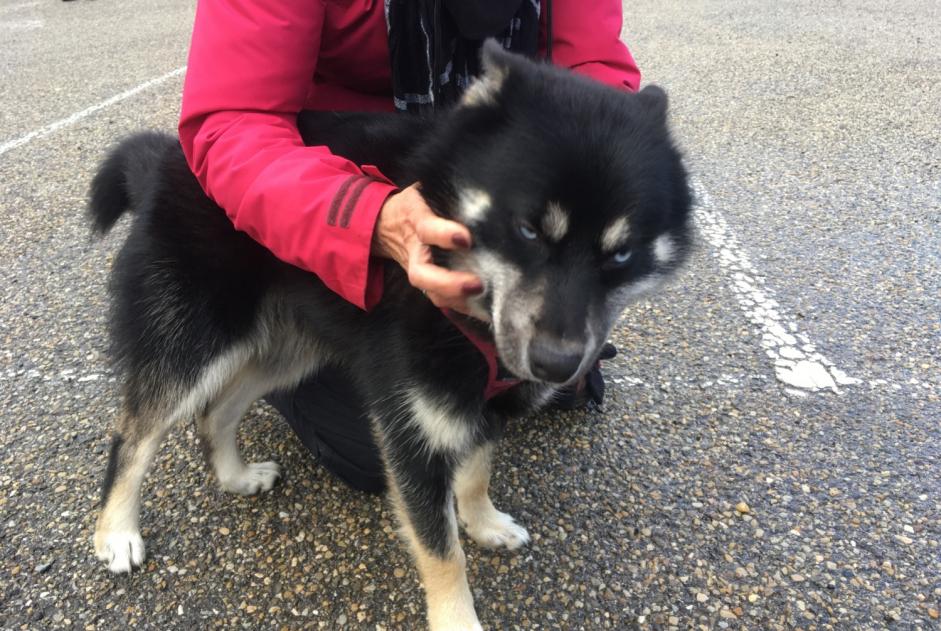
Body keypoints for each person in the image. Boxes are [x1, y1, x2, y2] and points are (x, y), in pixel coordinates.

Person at [178, 1, 641, 492]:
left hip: (498, 172)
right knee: (397, 449)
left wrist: (593, 177)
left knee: (528, 389)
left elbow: (594, 67)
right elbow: (232, 119)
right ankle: (288, 339)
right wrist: (366, 217)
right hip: (335, 174)